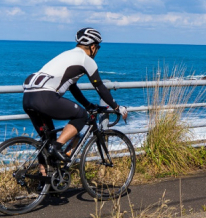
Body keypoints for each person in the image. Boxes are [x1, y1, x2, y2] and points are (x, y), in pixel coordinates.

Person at [22, 28, 128, 164]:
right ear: (93, 47)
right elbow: (100, 87)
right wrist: (117, 107)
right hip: (45, 97)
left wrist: (88, 105)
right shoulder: (85, 59)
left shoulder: (66, 55)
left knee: (47, 143)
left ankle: (45, 183)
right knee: (82, 116)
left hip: (28, 98)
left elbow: (72, 87)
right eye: (98, 48)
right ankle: (57, 147)